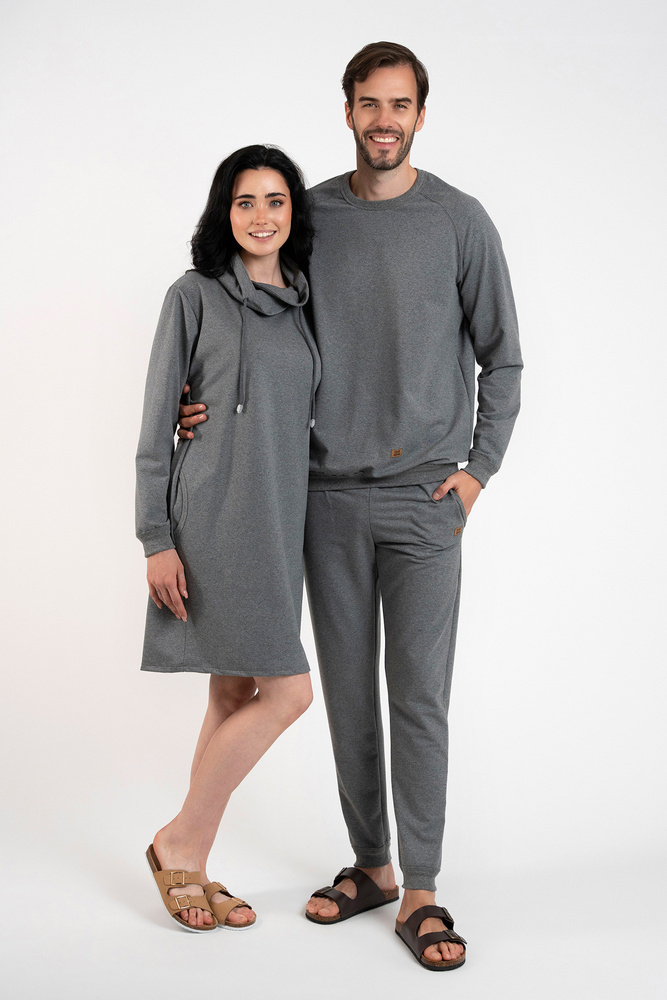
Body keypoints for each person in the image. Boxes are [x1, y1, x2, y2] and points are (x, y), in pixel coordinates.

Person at [178, 41, 523, 968]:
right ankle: (371, 864)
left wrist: (477, 472)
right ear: (346, 111)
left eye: (399, 105)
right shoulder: (312, 215)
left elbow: (503, 357)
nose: (383, 120)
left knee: (418, 698)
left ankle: (421, 890)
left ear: (420, 115)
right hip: (322, 499)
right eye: (369, 103)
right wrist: (191, 394)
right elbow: (249, 307)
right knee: (345, 700)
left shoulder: (459, 221)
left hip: (424, 503)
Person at [135, 144, 321, 932]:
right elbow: (156, 425)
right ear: (225, 211)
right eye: (245, 201)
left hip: (280, 521)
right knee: (289, 693)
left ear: (293, 212)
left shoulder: (307, 302)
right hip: (211, 519)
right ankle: (179, 841)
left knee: (233, 692)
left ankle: (192, 860)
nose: (260, 216)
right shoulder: (194, 295)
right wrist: (155, 537)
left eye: (275, 200)